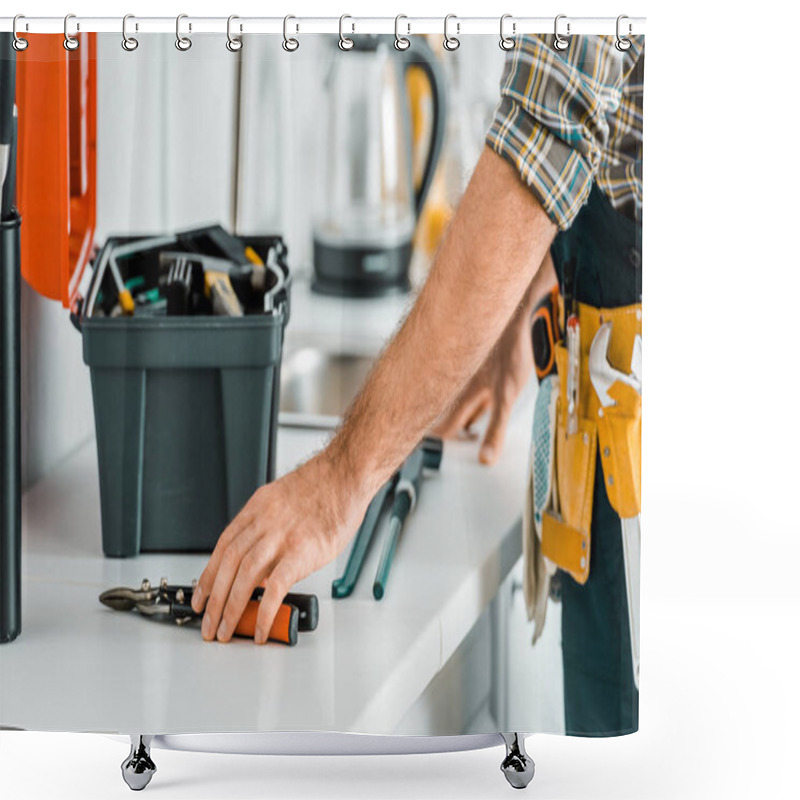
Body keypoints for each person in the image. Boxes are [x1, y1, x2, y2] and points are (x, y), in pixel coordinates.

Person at [192, 32, 644, 736]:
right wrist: (526, 313)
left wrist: (340, 482)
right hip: (598, 407)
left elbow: (544, 134)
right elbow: (613, 137)